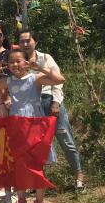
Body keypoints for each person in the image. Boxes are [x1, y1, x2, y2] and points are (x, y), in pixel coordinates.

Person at [0, 49, 65, 203]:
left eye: (18, 61)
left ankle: (39, 202)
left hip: (34, 124)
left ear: (26, 63)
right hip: (16, 124)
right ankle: (21, 201)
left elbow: (59, 79)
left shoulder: (35, 78)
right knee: (19, 164)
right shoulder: (9, 81)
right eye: (11, 62)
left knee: (36, 163)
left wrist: (40, 68)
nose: (15, 64)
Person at [18, 29, 85, 189]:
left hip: (49, 101)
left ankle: (79, 177)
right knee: (35, 144)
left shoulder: (45, 58)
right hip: (31, 106)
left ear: (35, 42)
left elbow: (58, 80)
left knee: (65, 138)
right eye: (22, 41)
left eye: (28, 40)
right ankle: (37, 181)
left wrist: (56, 102)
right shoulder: (18, 61)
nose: (25, 44)